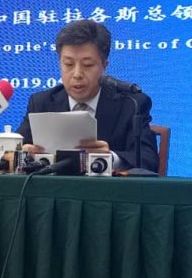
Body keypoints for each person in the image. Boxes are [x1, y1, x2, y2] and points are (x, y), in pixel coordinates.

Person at [16, 19, 159, 172]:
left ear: (104, 66)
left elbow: (148, 160)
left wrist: (109, 158)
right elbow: (12, 152)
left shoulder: (132, 104)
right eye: (69, 64)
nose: (77, 74)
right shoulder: (41, 103)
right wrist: (22, 154)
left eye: (88, 65)